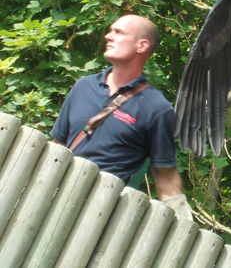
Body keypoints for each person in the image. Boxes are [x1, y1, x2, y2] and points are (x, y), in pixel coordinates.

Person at [51, 14, 192, 220]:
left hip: (98, 211)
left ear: (141, 45)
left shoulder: (156, 108)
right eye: (111, 31)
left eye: (119, 32)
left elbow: (166, 177)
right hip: (56, 194)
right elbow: (58, 145)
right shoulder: (83, 86)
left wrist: (183, 230)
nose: (109, 36)